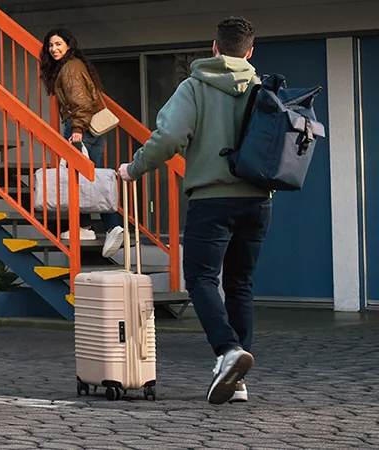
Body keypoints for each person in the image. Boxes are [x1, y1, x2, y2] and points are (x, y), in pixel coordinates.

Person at [119, 16, 264, 405]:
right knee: (240, 284)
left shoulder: (195, 86)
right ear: (249, 52)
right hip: (258, 200)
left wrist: (133, 169)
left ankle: (228, 351)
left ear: (213, 47)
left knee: (200, 278)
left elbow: (167, 137)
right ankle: (237, 381)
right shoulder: (261, 88)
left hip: (211, 198)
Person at [40, 28, 126, 258]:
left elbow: (80, 101)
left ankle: (112, 226)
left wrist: (77, 129)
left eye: (58, 44)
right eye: (50, 45)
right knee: (91, 177)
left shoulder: (69, 69)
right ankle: (86, 227)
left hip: (81, 127)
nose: (54, 49)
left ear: (69, 45)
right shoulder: (75, 65)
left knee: (84, 180)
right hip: (94, 127)